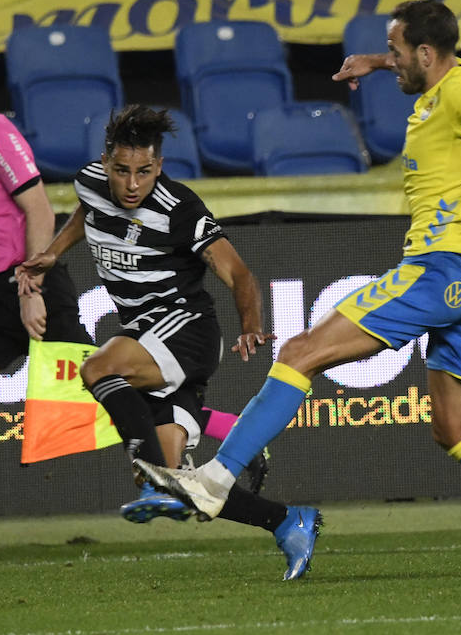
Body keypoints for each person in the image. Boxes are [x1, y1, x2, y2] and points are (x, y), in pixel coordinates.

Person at [136, 0, 461, 582]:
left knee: (299, 353)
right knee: (455, 429)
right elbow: (445, 79)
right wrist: (378, 61)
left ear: (426, 54)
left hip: (437, 272)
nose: (395, 62)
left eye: (400, 52)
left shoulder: (459, 95)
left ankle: (214, 481)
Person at [0, 39, 256, 567]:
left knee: (108, 393)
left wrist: (31, 290)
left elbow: (36, 208)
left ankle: (240, 432)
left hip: (29, 291)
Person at [18, 104, 322, 581]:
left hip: (187, 330)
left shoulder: (180, 209)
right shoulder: (91, 184)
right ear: (105, 163)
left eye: (144, 171)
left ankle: (151, 486)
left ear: (159, 166)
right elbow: (87, 214)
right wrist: (52, 254)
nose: (132, 184)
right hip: (147, 335)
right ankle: (287, 521)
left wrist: (249, 323)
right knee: (185, 485)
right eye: (121, 171)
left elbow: (239, 273)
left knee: (98, 367)